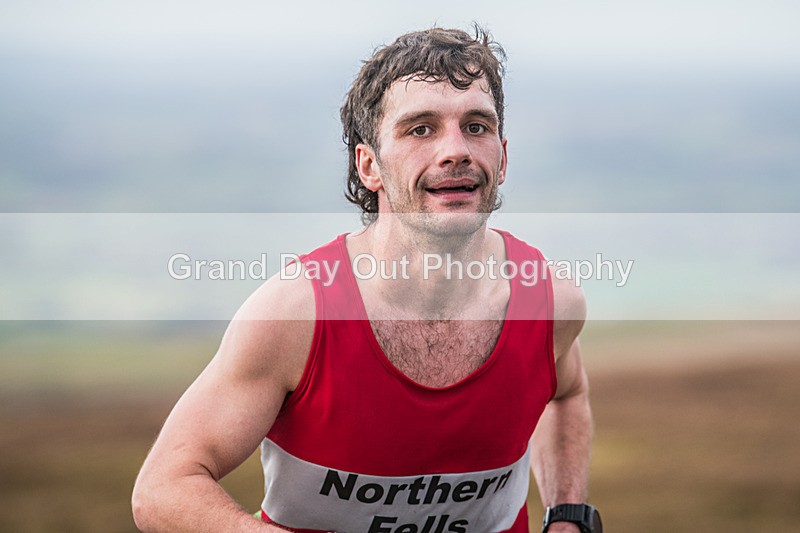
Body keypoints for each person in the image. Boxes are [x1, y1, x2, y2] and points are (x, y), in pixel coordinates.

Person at [133, 26, 600, 533]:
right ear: (369, 165)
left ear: (503, 158)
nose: (456, 150)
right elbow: (163, 488)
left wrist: (567, 515)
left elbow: (568, 394)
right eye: (420, 129)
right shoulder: (296, 315)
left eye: (476, 126)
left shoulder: (549, 302)